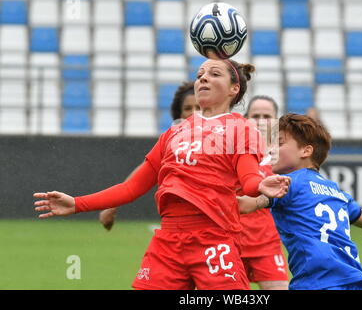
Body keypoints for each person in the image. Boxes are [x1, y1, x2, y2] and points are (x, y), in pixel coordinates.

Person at [33, 58, 291, 290]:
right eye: (200, 73)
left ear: (234, 89)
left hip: (213, 239)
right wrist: (77, 203)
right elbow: (132, 187)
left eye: (214, 74)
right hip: (168, 240)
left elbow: (248, 182)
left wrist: (261, 185)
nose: (203, 77)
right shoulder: (174, 133)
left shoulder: (242, 130)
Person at [239, 113, 362, 290]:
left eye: (279, 143)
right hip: (354, 279)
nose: (271, 150)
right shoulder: (336, 192)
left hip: (318, 281)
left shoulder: (289, 183)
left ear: (306, 151)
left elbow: (244, 205)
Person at [99, 82, 200, 231]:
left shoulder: (224, 140)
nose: (193, 113)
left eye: (199, 107)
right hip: (182, 228)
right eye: (187, 109)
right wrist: (112, 206)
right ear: (179, 114)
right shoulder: (173, 144)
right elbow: (141, 177)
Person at [239, 96, 289, 290]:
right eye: (255, 116)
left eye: (267, 116)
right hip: (232, 244)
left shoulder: (285, 159)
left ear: (276, 121)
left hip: (267, 246)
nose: (260, 121)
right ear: (245, 119)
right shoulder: (232, 153)